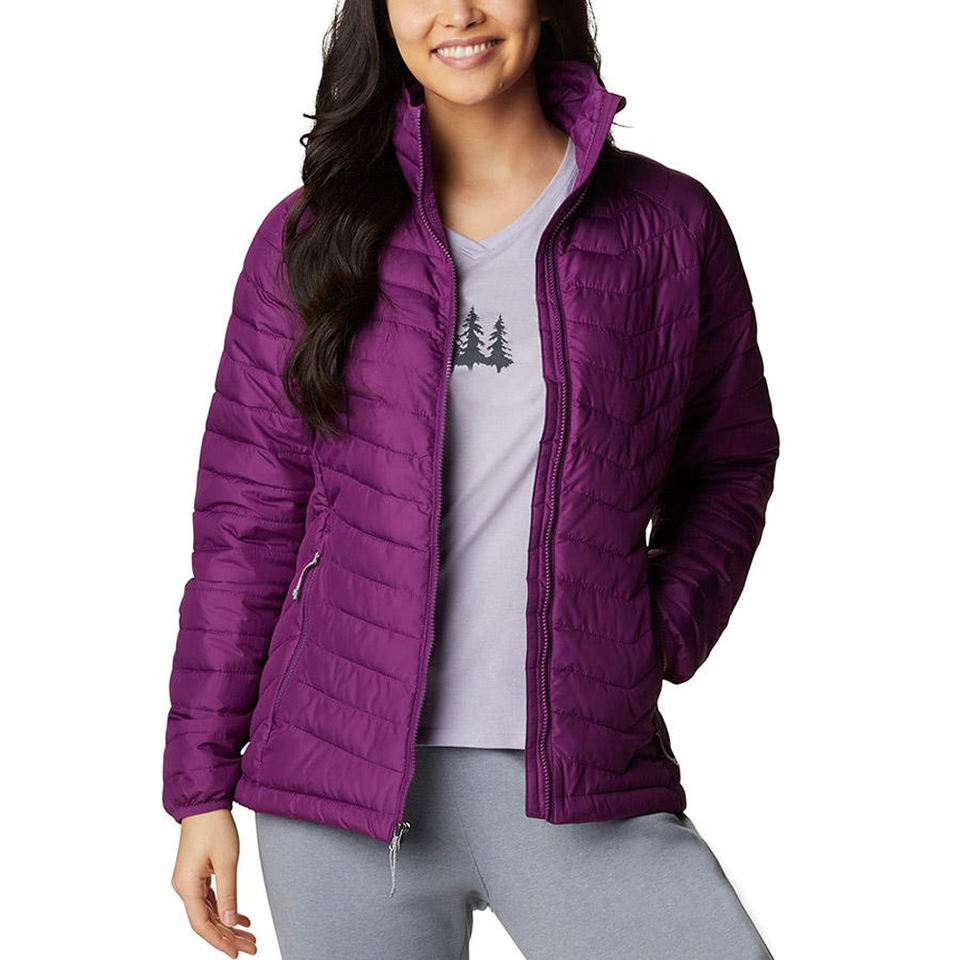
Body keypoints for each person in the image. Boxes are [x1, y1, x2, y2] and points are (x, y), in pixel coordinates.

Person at [163, 1, 780, 957]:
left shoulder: (665, 224)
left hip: (579, 774)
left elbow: (728, 462)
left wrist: (652, 631)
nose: (457, 12)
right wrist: (199, 787)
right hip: (338, 794)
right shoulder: (313, 235)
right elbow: (247, 524)